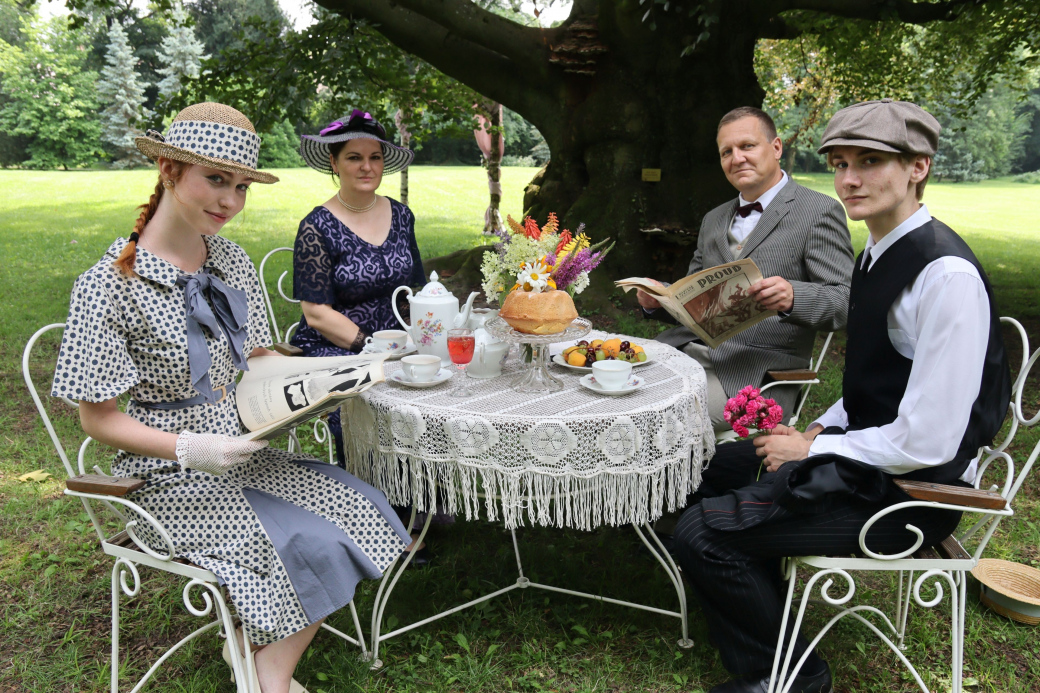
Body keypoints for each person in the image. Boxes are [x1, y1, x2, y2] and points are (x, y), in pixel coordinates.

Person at [50, 103, 410, 693]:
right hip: (166, 470)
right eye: (215, 179)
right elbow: (98, 420)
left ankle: (256, 657)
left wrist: (337, 372)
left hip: (247, 448)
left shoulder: (231, 261)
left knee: (362, 506)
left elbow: (251, 362)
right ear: (169, 170)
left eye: (240, 186)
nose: (230, 201)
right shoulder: (108, 284)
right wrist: (192, 448)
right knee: (302, 537)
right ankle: (268, 680)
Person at [671, 99, 1011, 693]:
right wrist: (812, 434)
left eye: (871, 162)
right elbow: (867, 387)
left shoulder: (945, 276)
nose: (850, 179)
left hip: (911, 494)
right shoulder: (877, 254)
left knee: (701, 532)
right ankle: (764, 613)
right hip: (868, 463)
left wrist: (815, 451)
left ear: (918, 167)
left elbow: (929, 438)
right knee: (703, 469)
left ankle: (792, 678)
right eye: (840, 163)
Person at [638, 107, 854, 429]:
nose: (736, 158)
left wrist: (794, 296)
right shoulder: (713, 219)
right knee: (613, 391)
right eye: (727, 152)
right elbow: (694, 304)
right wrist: (660, 302)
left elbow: (847, 301)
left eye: (747, 146)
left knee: (656, 418)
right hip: (686, 354)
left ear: (776, 148)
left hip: (757, 374)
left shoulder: (818, 212)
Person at [292, 109, 424, 467]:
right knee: (368, 392)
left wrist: (422, 341)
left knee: (436, 374)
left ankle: (423, 487)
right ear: (334, 163)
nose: (367, 167)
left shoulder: (401, 216)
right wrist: (373, 347)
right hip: (337, 346)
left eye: (374, 158)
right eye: (354, 158)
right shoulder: (316, 226)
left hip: (399, 340)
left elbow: (415, 288)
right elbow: (316, 313)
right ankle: (370, 493)